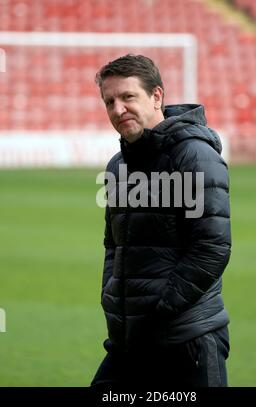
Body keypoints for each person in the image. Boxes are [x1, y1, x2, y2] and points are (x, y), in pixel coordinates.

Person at [91, 54, 231, 390]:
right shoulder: (117, 167)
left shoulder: (194, 155)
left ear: (156, 96)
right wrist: (112, 294)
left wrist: (160, 307)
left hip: (186, 340)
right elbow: (114, 245)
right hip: (129, 339)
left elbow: (212, 247)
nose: (118, 109)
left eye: (128, 97)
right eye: (110, 101)